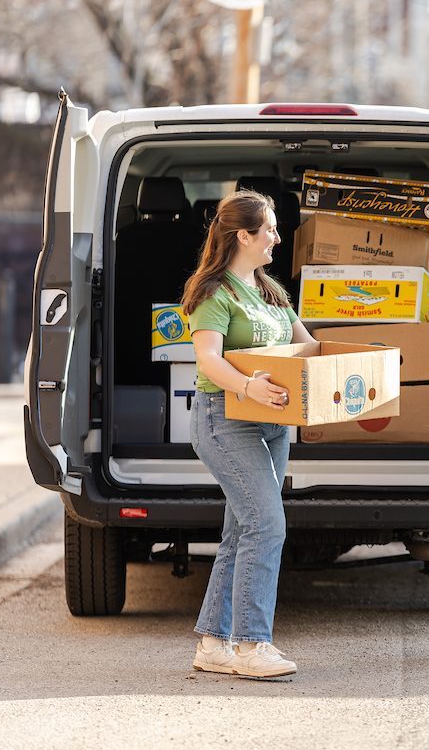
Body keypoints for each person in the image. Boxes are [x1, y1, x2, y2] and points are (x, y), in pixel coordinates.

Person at [180, 188, 314, 679]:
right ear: (244, 235)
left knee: (241, 530)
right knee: (267, 525)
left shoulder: (269, 290)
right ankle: (251, 645)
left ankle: (214, 643)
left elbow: (309, 347)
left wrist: (366, 361)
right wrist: (248, 386)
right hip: (225, 419)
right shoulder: (214, 292)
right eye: (271, 229)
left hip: (272, 422)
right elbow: (208, 359)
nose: (279, 237)